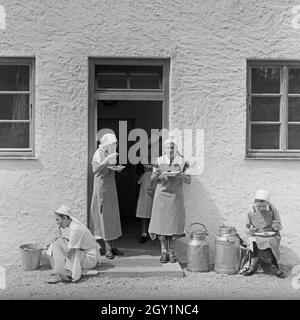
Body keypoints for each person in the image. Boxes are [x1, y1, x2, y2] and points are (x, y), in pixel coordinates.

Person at [148, 138, 191, 263]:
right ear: (164, 149)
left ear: (176, 149)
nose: (170, 150)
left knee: (173, 224)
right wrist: (156, 173)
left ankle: (172, 252)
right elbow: (152, 179)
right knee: (161, 224)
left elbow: (189, 180)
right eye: (167, 147)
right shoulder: (159, 161)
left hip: (175, 196)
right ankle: (163, 252)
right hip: (161, 195)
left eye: (172, 147)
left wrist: (181, 175)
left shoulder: (182, 162)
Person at [89, 132, 124, 259]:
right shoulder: (98, 153)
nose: (115, 146)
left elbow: (111, 167)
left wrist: (116, 168)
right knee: (103, 217)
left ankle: (113, 246)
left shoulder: (111, 153)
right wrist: (105, 162)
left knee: (113, 216)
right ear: (107, 144)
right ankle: (107, 247)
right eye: (113, 144)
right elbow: (95, 170)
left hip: (111, 187)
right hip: (102, 187)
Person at [47, 205, 101, 284]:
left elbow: (69, 252)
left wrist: (59, 238)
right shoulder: (72, 223)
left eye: (58, 220)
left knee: (58, 243)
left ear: (65, 218)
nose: (57, 223)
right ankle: (58, 270)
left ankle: (64, 275)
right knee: (55, 243)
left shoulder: (75, 228)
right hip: (83, 255)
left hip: (89, 259)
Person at [242, 189, 285, 278]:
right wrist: (250, 230)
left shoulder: (273, 209)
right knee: (253, 242)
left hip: (272, 234)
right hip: (257, 234)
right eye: (259, 205)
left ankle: (275, 268)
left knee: (271, 241)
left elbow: (280, 227)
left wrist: (276, 225)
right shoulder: (251, 211)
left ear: (267, 203)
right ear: (255, 202)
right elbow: (246, 227)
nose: (261, 207)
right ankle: (252, 267)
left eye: (264, 205)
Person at [135, 137, 160, 243]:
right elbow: (138, 169)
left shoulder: (159, 156)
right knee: (144, 209)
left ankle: (157, 232)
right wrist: (142, 176)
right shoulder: (142, 156)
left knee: (157, 209)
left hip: (157, 182)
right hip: (145, 182)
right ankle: (144, 233)